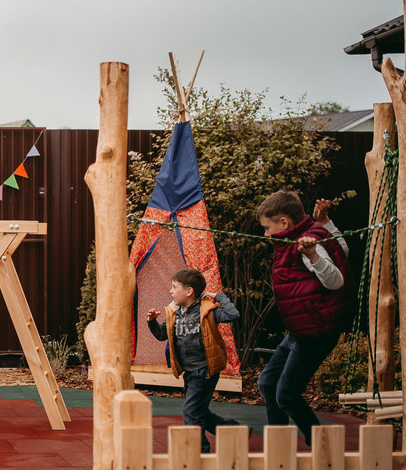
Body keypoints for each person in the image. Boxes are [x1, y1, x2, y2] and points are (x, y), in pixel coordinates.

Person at [256, 190, 350, 447]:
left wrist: (312, 256)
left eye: (267, 227)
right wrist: (326, 222)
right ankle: (279, 445)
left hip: (316, 330)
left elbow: (336, 281)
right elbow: (343, 248)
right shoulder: (311, 232)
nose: (266, 234)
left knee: (285, 394)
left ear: (284, 223)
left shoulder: (307, 244)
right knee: (268, 382)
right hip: (302, 328)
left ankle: (322, 444)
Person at [146, 267, 242, 453]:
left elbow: (233, 314)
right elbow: (161, 335)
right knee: (199, 412)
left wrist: (218, 296)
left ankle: (201, 452)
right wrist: (151, 322)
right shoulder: (173, 312)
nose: (171, 291)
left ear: (189, 291)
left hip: (204, 371)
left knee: (191, 412)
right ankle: (234, 431)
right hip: (189, 372)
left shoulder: (207, 311)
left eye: (175, 287)